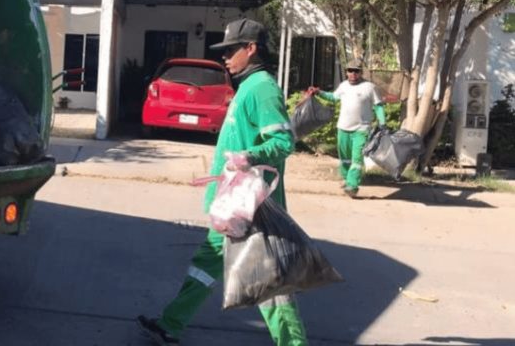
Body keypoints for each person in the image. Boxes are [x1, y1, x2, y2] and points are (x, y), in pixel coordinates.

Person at [137, 18, 308, 346]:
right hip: (232, 205)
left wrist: (249, 156)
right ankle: (170, 324)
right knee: (205, 265)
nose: (225, 57)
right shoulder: (247, 87)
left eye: (231, 50)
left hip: (252, 208)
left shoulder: (262, 88)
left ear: (251, 48)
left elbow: (284, 143)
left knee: (268, 284)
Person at [306, 62, 386, 198]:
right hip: (343, 127)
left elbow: (378, 106)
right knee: (345, 158)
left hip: (361, 129)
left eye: (356, 71)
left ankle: (352, 185)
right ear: (346, 72)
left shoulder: (369, 87)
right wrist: (318, 92)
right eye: (350, 70)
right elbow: (333, 97)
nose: (353, 74)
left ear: (361, 72)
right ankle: (346, 179)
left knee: (357, 158)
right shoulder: (343, 86)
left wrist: (382, 122)